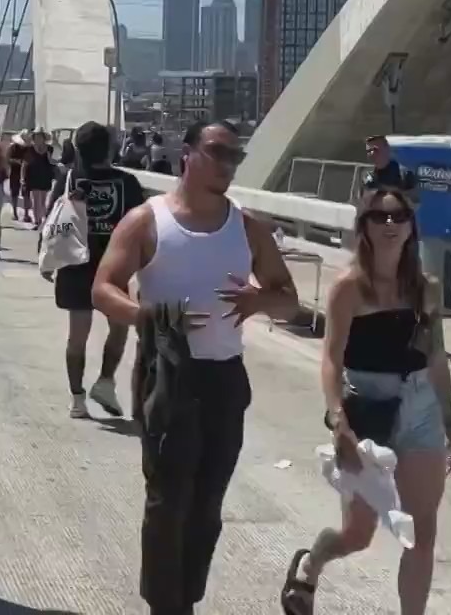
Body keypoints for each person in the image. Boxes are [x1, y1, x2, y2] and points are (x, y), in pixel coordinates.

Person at [93, 120, 301, 615]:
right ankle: (167, 607)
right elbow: (102, 287)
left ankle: (186, 598)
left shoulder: (247, 228)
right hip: (167, 375)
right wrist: (150, 318)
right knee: (167, 503)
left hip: (225, 378)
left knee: (207, 507)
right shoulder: (148, 220)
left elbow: (289, 301)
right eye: (217, 151)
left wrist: (258, 301)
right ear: (187, 153)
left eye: (235, 155)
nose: (227, 163)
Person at [280, 187, 451, 615]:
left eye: (399, 216)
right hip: (366, 408)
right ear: (363, 226)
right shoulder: (348, 288)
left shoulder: (425, 288)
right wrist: (337, 418)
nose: (390, 224)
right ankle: (312, 561)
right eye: (379, 217)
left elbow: (436, 357)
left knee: (421, 532)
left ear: (412, 227)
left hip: (419, 407)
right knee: (358, 534)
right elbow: (330, 358)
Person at [58, 121, 146, 419]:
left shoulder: (69, 179)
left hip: (75, 265)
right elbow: (144, 227)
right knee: (119, 327)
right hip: (115, 269)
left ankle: (77, 399)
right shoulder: (128, 183)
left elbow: (52, 221)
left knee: (77, 337)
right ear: (110, 148)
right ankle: (106, 381)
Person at [22, 130, 57, 227]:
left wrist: (50, 158)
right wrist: (22, 178)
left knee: (42, 200)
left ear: (44, 139)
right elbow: (24, 165)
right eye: (36, 137)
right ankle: (37, 221)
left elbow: (54, 162)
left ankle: (42, 218)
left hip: (45, 176)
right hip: (33, 176)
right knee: (36, 199)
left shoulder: (50, 149)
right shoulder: (30, 150)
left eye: (40, 137)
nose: (38, 139)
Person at [6, 131, 31, 223]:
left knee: (26, 194)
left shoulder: (29, 148)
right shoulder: (13, 147)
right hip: (15, 172)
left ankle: (26, 214)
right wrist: (18, 161)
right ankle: (15, 213)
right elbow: (8, 159)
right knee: (14, 194)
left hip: (27, 173)